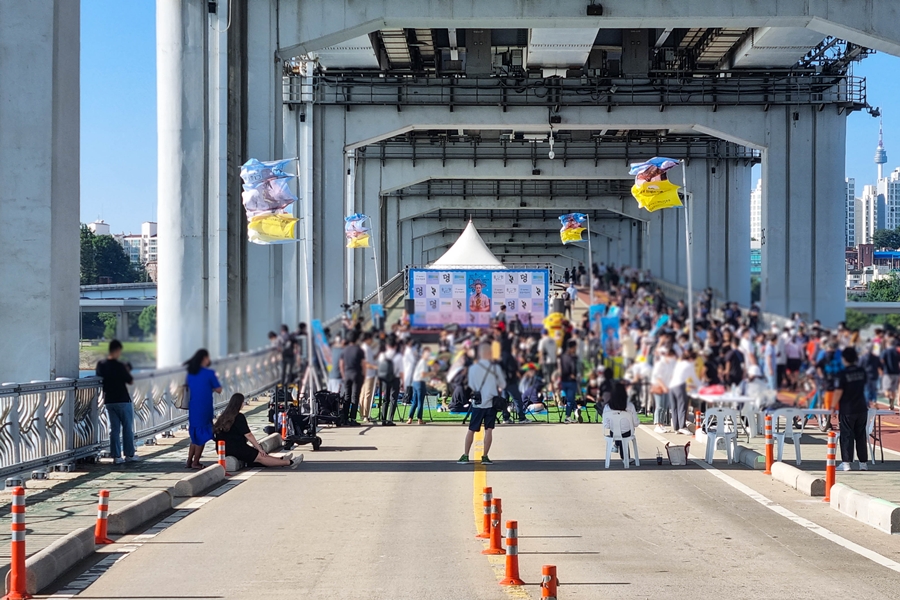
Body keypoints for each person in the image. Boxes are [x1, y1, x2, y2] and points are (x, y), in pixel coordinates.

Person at [213, 393, 299, 468]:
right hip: (236, 448)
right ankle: (290, 462)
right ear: (239, 403)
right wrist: (259, 448)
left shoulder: (223, 416)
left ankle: (281, 460)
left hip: (224, 448)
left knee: (257, 455)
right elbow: (248, 435)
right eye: (243, 402)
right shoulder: (239, 417)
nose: (243, 404)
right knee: (260, 456)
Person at [459, 343, 506, 465]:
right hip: (491, 403)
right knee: (489, 430)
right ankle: (485, 456)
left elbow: (471, 385)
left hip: (478, 403)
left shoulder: (474, 368)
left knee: (472, 429)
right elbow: (502, 384)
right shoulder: (496, 368)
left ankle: (465, 455)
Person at [96, 340, 140, 465]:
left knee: (113, 429)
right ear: (116, 351)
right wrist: (126, 369)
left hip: (109, 400)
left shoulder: (101, 364)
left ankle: (116, 456)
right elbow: (130, 380)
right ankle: (129, 454)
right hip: (122, 399)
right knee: (127, 428)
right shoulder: (120, 366)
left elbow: (99, 377)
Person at [832, 347, 870, 471]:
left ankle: (846, 463)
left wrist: (833, 406)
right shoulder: (862, 371)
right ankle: (863, 463)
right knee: (861, 435)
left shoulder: (842, 374)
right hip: (862, 407)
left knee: (847, 435)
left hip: (848, 408)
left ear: (844, 359)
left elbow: (838, 391)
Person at [184, 349, 223, 469]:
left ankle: (189, 461)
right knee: (203, 434)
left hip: (194, 406)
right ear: (204, 358)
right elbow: (219, 389)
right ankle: (196, 462)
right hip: (204, 406)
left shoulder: (190, 374)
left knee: (195, 435)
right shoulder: (209, 373)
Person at [602, 382, 640, 458]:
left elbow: (606, 425)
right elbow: (636, 423)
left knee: (617, 431)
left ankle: (618, 447)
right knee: (623, 435)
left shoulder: (607, 407)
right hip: (628, 432)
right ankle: (625, 457)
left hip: (614, 433)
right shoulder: (630, 405)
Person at [668, 349, 698, 435]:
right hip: (680, 385)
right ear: (691, 359)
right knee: (682, 406)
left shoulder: (679, 363)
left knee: (674, 407)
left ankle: (676, 428)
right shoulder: (689, 365)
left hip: (671, 385)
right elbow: (694, 378)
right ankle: (682, 426)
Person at [339, 331, 365, 426]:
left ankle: (345, 418)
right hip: (356, 374)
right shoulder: (359, 350)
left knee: (347, 396)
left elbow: (341, 364)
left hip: (347, 374)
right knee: (355, 397)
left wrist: (343, 375)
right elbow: (363, 364)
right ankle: (352, 418)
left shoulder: (344, 350)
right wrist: (364, 375)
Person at [376, 336, 404, 425]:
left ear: (387, 345)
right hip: (395, 379)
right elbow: (401, 370)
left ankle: (383, 419)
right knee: (393, 399)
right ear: (395, 346)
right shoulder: (399, 356)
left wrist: (378, 379)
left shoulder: (382, 355)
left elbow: (379, 368)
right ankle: (390, 419)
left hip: (384, 379)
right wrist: (402, 381)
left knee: (385, 399)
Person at [650, 348, 676, 433]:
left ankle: (662, 424)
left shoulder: (670, 365)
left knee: (664, 407)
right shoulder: (660, 364)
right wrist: (664, 386)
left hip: (667, 387)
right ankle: (657, 424)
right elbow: (657, 377)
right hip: (659, 387)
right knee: (660, 406)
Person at [408, 347, 432, 424]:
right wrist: (431, 374)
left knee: (414, 401)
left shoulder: (420, 362)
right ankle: (419, 419)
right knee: (420, 402)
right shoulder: (424, 362)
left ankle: (410, 418)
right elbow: (423, 374)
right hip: (420, 383)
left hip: (415, 382)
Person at [558, 340, 580, 423]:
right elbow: (573, 367)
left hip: (563, 380)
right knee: (570, 400)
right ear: (572, 348)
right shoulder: (573, 357)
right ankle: (567, 416)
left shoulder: (562, 356)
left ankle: (575, 411)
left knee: (570, 398)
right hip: (571, 380)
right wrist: (574, 375)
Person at [358, 332, 377, 423]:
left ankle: (363, 414)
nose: (372, 340)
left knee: (363, 395)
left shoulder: (365, 348)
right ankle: (365, 415)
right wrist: (376, 367)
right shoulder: (366, 348)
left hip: (364, 374)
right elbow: (366, 363)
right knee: (367, 395)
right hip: (368, 374)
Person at [880, 338, 900, 410]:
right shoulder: (897, 352)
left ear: (888, 344)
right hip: (896, 373)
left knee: (886, 390)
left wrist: (881, 369)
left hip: (887, 372)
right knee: (893, 390)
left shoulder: (885, 351)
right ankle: (892, 404)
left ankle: (890, 402)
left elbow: (881, 360)